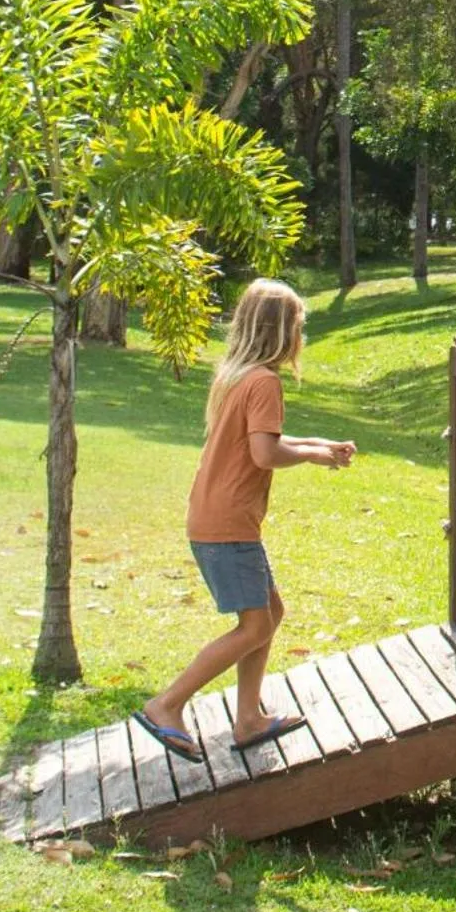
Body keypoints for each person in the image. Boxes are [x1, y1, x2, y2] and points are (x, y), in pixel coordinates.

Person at [134, 279, 356, 761]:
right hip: (229, 523)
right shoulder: (266, 381)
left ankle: (249, 718)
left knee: (268, 616)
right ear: (282, 332)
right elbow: (264, 452)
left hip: (214, 516)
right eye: (299, 327)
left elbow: (261, 437)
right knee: (255, 626)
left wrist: (318, 443)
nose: (301, 337)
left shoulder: (239, 375)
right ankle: (166, 705)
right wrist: (315, 458)